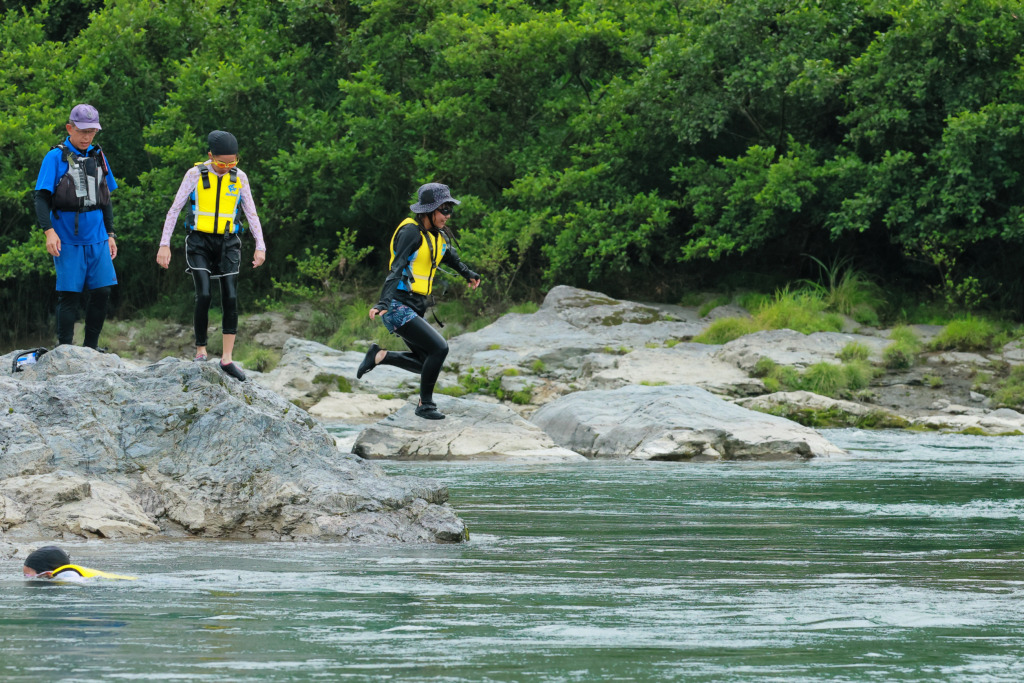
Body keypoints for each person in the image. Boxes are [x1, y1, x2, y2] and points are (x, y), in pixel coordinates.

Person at [359, 183, 481, 420]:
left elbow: (450, 257)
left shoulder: (437, 235)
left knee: (426, 361)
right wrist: (383, 303)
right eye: (444, 210)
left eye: (449, 210)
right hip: (396, 305)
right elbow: (396, 269)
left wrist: (469, 273)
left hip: (416, 306)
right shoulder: (411, 233)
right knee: (440, 348)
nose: (447, 215)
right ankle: (425, 404)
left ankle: (380, 356)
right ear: (428, 211)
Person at [156, 130, 266, 381]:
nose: (226, 168)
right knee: (204, 293)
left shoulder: (240, 179)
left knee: (230, 295)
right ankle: (201, 350)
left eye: (232, 163)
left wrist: (261, 245)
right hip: (199, 241)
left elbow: (252, 214)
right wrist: (164, 245)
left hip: (228, 241)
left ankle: (227, 358)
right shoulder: (194, 174)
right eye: (221, 163)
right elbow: (174, 210)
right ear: (210, 156)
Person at [34, 104, 118, 349]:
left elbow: (105, 198)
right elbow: (40, 197)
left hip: (98, 236)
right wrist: (49, 231)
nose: (87, 137)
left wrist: (110, 233)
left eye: (92, 131)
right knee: (69, 294)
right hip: (66, 237)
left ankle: (90, 347)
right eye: (82, 131)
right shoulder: (55, 157)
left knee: (102, 291)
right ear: (69, 128)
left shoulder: (98, 155)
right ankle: (65, 349)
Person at [22, 545, 136, 582]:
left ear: (46, 573)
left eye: (27, 575)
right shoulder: (67, 572)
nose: (26, 579)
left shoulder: (65, 575)